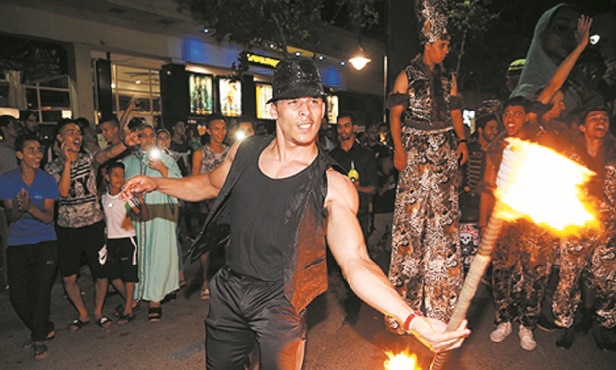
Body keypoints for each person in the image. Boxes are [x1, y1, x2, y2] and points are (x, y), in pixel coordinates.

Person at [122, 57, 469, 369]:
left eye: (315, 102)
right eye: (294, 102)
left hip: (281, 302)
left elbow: (356, 262)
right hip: (229, 289)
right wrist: (157, 185)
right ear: (273, 110)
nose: (307, 112)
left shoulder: (333, 185)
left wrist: (414, 321)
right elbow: (209, 185)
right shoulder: (245, 151)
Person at [385, 0, 467, 331]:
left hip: (445, 153)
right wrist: (399, 150)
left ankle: (442, 309)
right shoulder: (406, 75)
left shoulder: (450, 78)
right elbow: (395, 116)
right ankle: (403, 310)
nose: (446, 51)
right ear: (429, 44)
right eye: (443, 45)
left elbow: (456, 113)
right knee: (410, 226)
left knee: (444, 227)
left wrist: (462, 141)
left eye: (448, 45)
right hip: (416, 153)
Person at [44, 118, 137, 332]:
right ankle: (82, 314)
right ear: (60, 138)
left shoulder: (89, 160)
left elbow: (107, 154)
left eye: (78, 132)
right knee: (69, 277)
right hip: (67, 230)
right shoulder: (51, 167)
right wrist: (67, 162)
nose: (77, 136)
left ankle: (97, 312)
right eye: (70, 132)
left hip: (93, 226)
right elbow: (63, 191)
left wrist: (125, 144)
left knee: (101, 274)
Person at [481, 97, 558, 351]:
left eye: (516, 113)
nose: (510, 118)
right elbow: (488, 184)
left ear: (526, 117)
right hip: (504, 220)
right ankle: (504, 320)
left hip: (534, 220)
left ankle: (527, 325)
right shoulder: (497, 145)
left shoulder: (541, 142)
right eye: (506, 114)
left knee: (534, 275)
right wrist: (484, 223)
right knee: (502, 272)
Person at [553, 107, 616, 350]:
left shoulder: (614, 156)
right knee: (569, 279)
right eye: (594, 118)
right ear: (582, 127)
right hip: (575, 228)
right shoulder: (569, 157)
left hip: (607, 231)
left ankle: (598, 324)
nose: (601, 121)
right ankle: (567, 325)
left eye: (605, 118)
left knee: (605, 281)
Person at [0, 134, 58, 360]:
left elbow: (47, 217)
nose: (38, 155)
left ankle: (38, 338)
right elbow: (12, 217)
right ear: (19, 154)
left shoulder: (47, 180)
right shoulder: (6, 180)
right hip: (18, 243)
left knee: (41, 291)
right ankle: (43, 325)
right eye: (32, 150)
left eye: (39, 150)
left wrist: (29, 207)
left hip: (45, 241)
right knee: (17, 295)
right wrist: (19, 207)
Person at [123, 123, 180, 322]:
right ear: (136, 138)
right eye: (142, 135)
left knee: (158, 252)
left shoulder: (165, 159)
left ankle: (155, 298)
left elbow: (180, 184)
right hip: (136, 216)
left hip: (160, 214)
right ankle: (136, 294)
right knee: (137, 253)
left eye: (151, 135)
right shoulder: (128, 161)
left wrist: (163, 169)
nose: (147, 139)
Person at [329, 111, 378, 325]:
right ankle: (346, 299)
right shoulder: (333, 157)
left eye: (346, 126)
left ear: (354, 128)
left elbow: (374, 188)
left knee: (358, 259)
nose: (343, 130)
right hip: (338, 216)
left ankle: (356, 302)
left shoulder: (366, 155)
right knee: (337, 261)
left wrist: (359, 188)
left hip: (361, 214)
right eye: (339, 127)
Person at [102, 161, 147, 325]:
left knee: (129, 275)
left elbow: (142, 215)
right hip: (112, 241)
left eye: (122, 175)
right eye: (115, 175)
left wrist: (140, 200)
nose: (119, 178)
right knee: (114, 277)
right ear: (107, 177)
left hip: (127, 239)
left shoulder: (126, 196)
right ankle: (131, 300)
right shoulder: (103, 198)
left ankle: (128, 309)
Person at [191, 114, 229, 300]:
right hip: (206, 205)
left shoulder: (231, 152)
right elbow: (194, 179)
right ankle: (205, 281)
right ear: (208, 131)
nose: (220, 132)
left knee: (230, 244)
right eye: (216, 128)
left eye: (223, 128)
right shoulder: (200, 153)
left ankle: (230, 282)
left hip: (229, 205)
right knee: (205, 245)